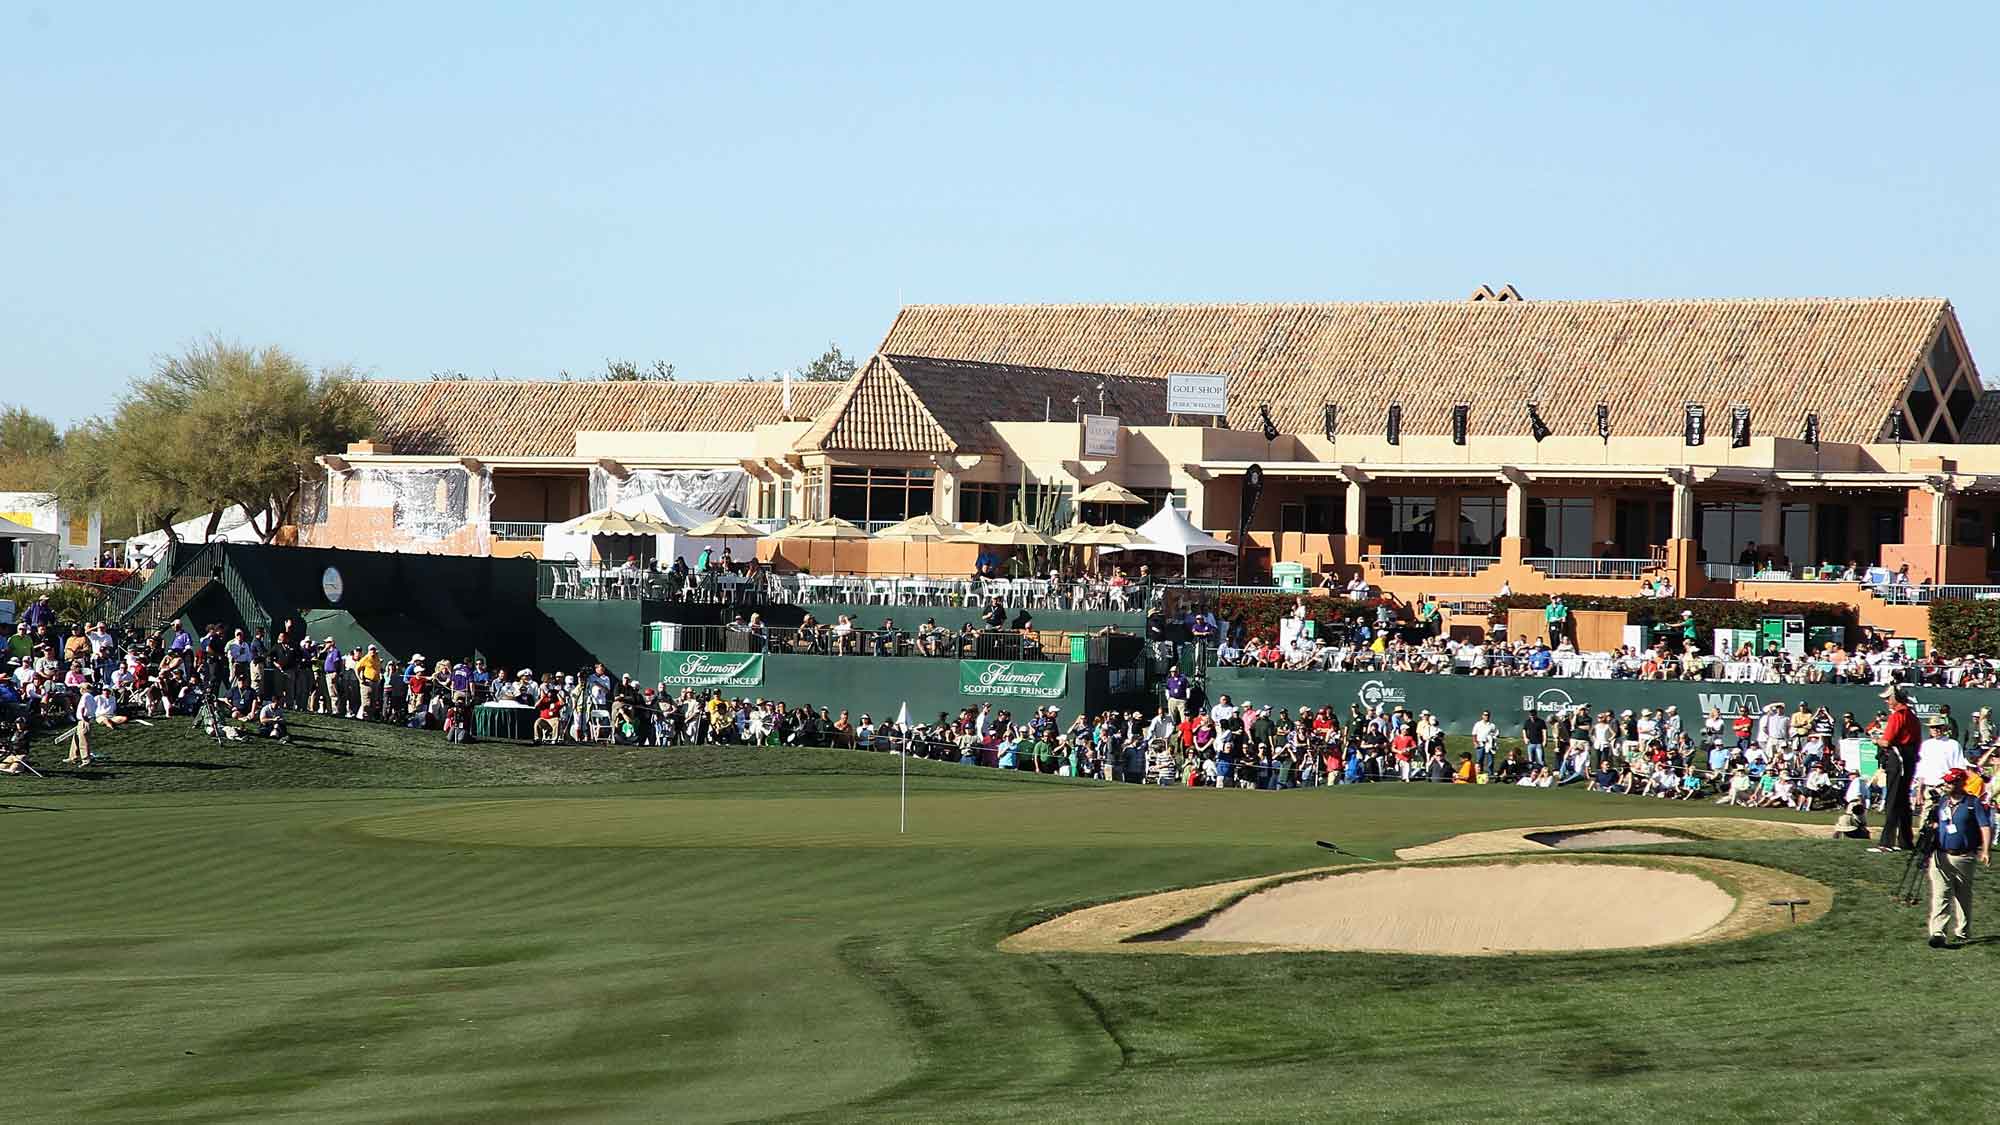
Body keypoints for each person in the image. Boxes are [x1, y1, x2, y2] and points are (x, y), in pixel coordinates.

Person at [1927, 767, 1991, 948]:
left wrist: (1985, 850)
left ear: (1960, 783)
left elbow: (1984, 826)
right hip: (1941, 854)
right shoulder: (1942, 802)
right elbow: (1938, 823)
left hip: (1964, 857)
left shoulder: (1972, 803)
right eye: (1946, 781)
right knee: (1941, 893)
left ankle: (1962, 931)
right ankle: (1938, 932)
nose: (1946, 785)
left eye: (1950, 782)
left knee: (1963, 895)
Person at [1872, 686, 1922, 853]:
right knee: (1902, 801)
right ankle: (1905, 841)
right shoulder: (1912, 715)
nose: (1886, 701)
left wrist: (1876, 740)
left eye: (1888, 698)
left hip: (1898, 758)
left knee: (1893, 800)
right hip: (1908, 759)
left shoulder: (1898, 715)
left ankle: (1886, 842)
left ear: (1896, 698)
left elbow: (1887, 742)